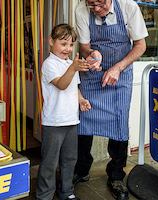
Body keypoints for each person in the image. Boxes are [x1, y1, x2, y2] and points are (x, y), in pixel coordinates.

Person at [74, 0, 148, 199]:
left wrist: (118, 67)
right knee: (84, 120)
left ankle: (115, 175)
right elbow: (84, 47)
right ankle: (81, 170)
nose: (97, 10)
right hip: (93, 74)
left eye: (100, 4)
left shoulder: (128, 7)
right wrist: (91, 55)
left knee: (119, 123)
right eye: (92, 6)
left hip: (120, 73)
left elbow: (141, 46)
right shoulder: (81, 9)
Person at [36, 24, 92, 200]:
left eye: (71, 45)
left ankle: (67, 192)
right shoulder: (49, 64)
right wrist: (73, 68)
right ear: (51, 42)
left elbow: (74, 87)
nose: (67, 49)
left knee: (69, 160)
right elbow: (61, 84)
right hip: (54, 122)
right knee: (49, 163)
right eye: (63, 44)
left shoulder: (70, 63)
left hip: (71, 120)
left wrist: (81, 100)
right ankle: (44, 195)